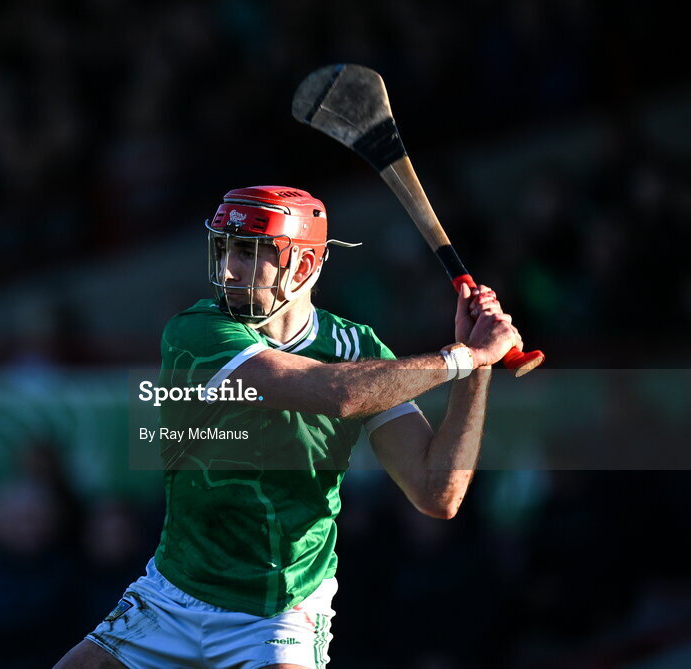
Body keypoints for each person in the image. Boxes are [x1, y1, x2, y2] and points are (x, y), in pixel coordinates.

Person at [55, 186, 523, 669]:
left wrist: (477, 367)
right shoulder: (197, 332)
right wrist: (463, 357)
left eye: (248, 253)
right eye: (224, 249)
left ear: (302, 267)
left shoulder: (357, 348)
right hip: (174, 594)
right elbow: (336, 395)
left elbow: (437, 492)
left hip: (280, 610)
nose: (227, 270)